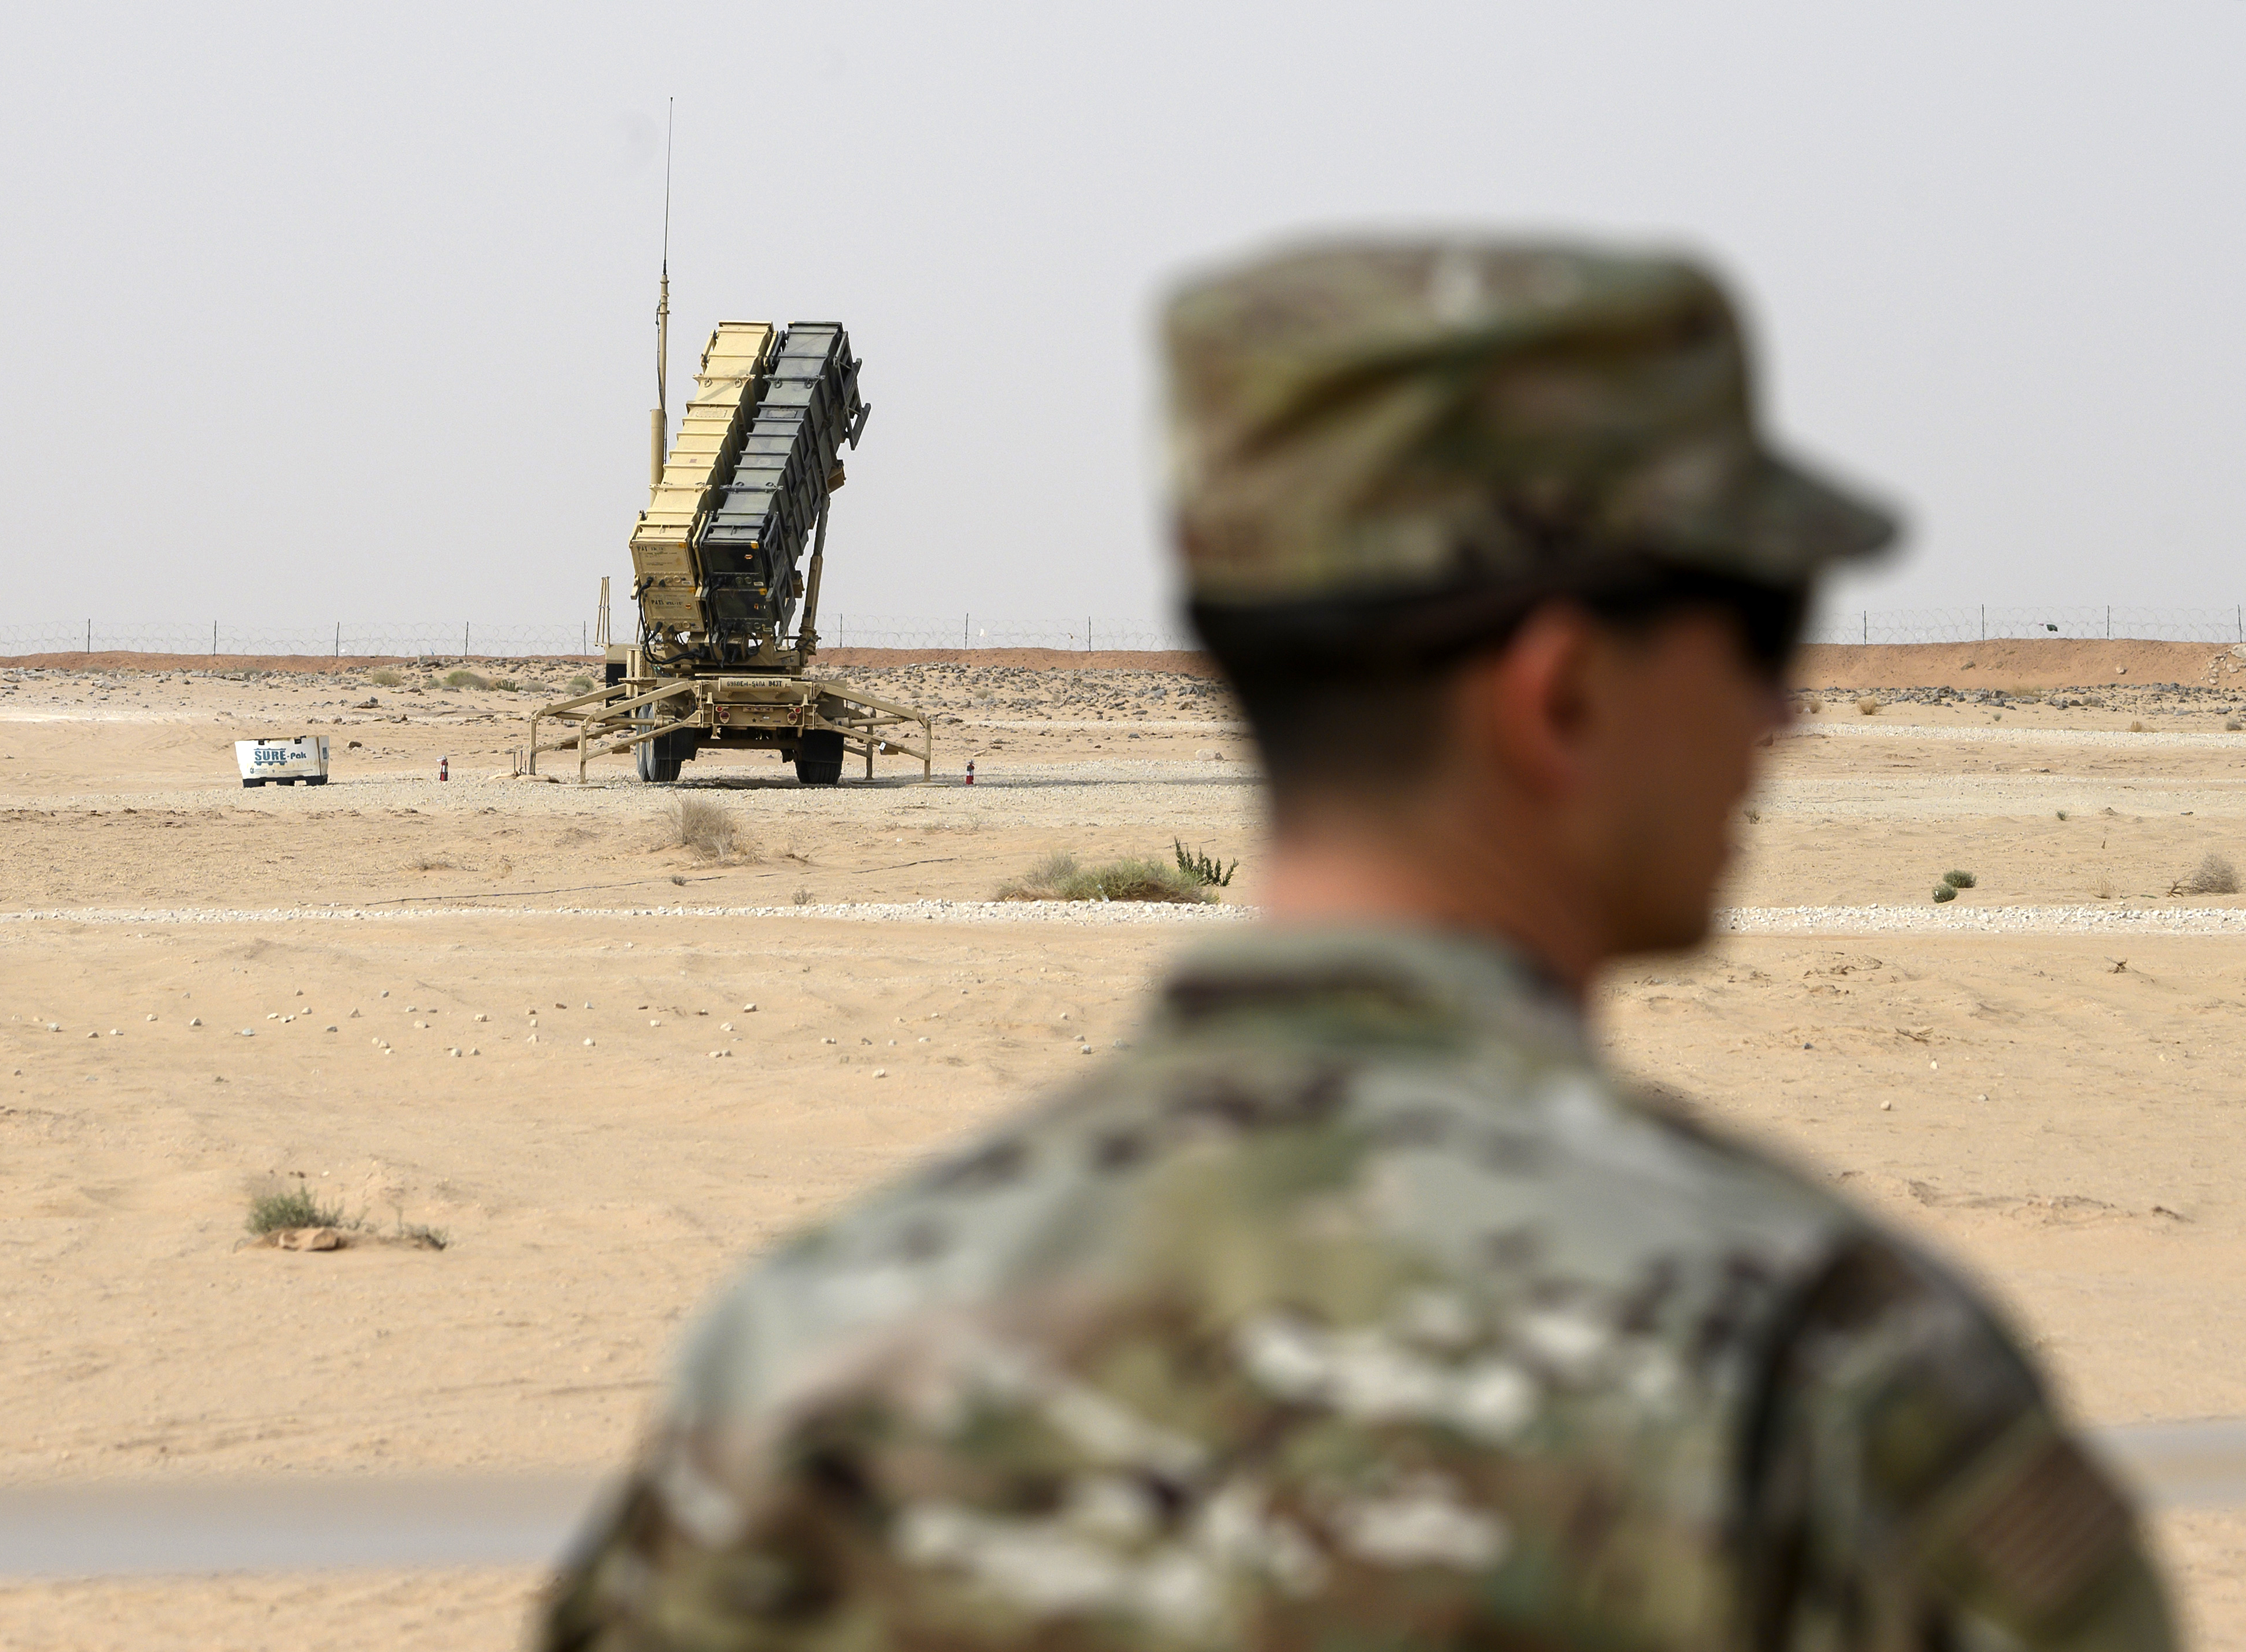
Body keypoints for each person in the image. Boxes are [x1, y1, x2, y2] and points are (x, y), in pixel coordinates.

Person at [542, 239, 2174, 1652]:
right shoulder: (1830, 1383)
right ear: (1561, 691)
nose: (1782, 709)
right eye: (1753, 630)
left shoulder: (812, 1361)